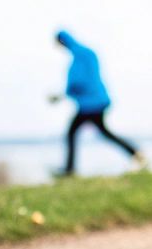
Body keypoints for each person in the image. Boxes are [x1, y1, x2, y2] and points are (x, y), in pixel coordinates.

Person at [51, 30, 145, 175]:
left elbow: (78, 82)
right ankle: (136, 154)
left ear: (63, 42)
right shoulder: (87, 53)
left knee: (73, 133)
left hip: (91, 104)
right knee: (103, 132)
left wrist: (65, 93)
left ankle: (69, 171)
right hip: (96, 101)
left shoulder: (80, 57)